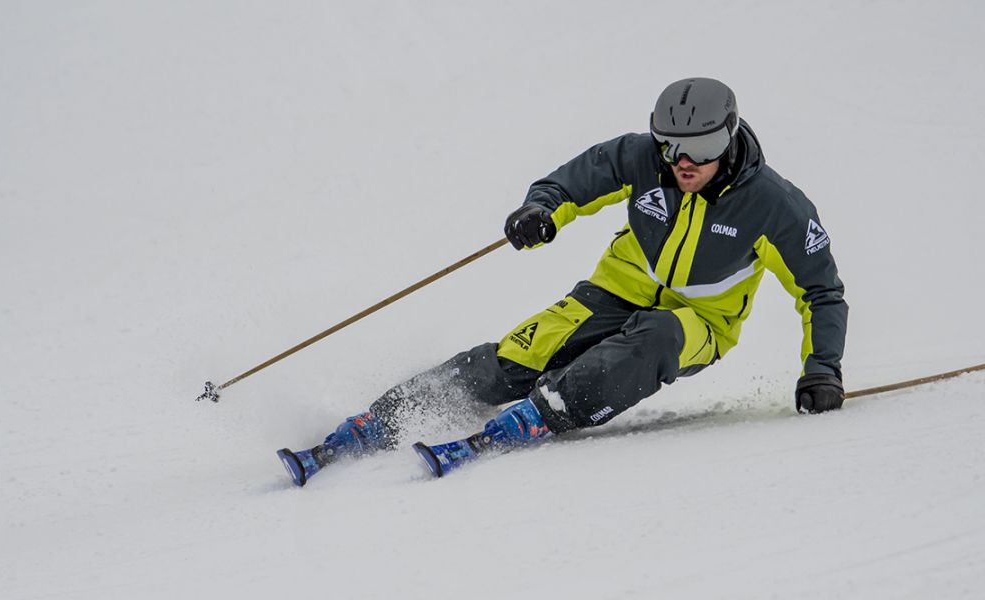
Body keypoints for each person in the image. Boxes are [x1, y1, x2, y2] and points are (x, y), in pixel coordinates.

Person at [278, 77, 848, 485]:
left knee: (650, 340)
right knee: (517, 356)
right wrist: (541, 209)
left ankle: (547, 410)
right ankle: (384, 416)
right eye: (671, 144)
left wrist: (822, 370)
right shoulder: (642, 159)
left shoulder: (775, 206)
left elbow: (820, 291)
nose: (683, 161)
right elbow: (574, 181)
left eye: (701, 147)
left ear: (729, 137)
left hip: (699, 322)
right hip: (616, 289)